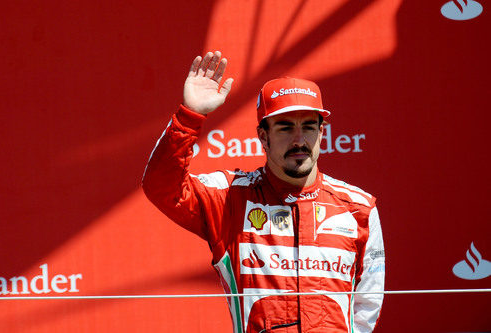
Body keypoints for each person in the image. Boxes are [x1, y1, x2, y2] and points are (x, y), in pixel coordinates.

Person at [142, 51, 385, 333]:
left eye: (308, 126)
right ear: (263, 137)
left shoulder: (359, 208)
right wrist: (190, 116)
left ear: (321, 133)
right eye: (284, 127)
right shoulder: (230, 196)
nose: (298, 139)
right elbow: (162, 187)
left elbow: (366, 306)